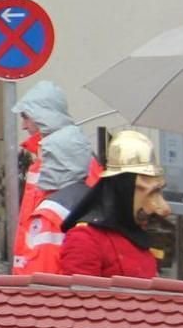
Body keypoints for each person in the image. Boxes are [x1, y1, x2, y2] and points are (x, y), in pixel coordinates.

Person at [60, 131, 171, 280]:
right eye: (151, 193)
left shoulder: (138, 236)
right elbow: (82, 300)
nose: (164, 209)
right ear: (124, 190)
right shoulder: (85, 240)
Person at [9, 82, 90, 268]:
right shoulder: (46, 157)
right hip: (37, 263)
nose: (23, 125)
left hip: (51, 268)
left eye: (26, 117)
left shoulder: (71, 156)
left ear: (42, 116)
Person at [12, 125, 96, 276]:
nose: (42, 166)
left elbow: (40, 274)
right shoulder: (95, 200)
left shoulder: (51, 213)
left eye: (47, 159)